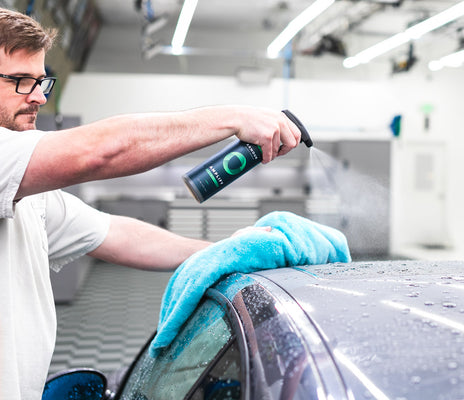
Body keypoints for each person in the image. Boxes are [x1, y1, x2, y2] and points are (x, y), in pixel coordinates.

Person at [0, 7, 302, 400]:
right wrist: (232, 117)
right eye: (21, 81)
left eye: (42, 81)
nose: (39, 97)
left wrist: (227, 252)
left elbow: (117, 235)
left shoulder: (30, 196)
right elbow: (100, 152)